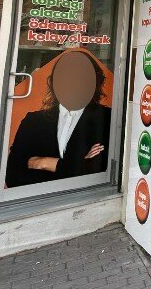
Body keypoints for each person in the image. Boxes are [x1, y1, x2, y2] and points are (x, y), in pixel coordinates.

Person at [6, 49, 111, 187]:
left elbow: (96, 172)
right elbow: (13, 176)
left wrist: (42, 162)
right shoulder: (33, 121)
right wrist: (78, 165)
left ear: (95, 82)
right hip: (33, 202)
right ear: (53, 81)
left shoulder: (108, 118)